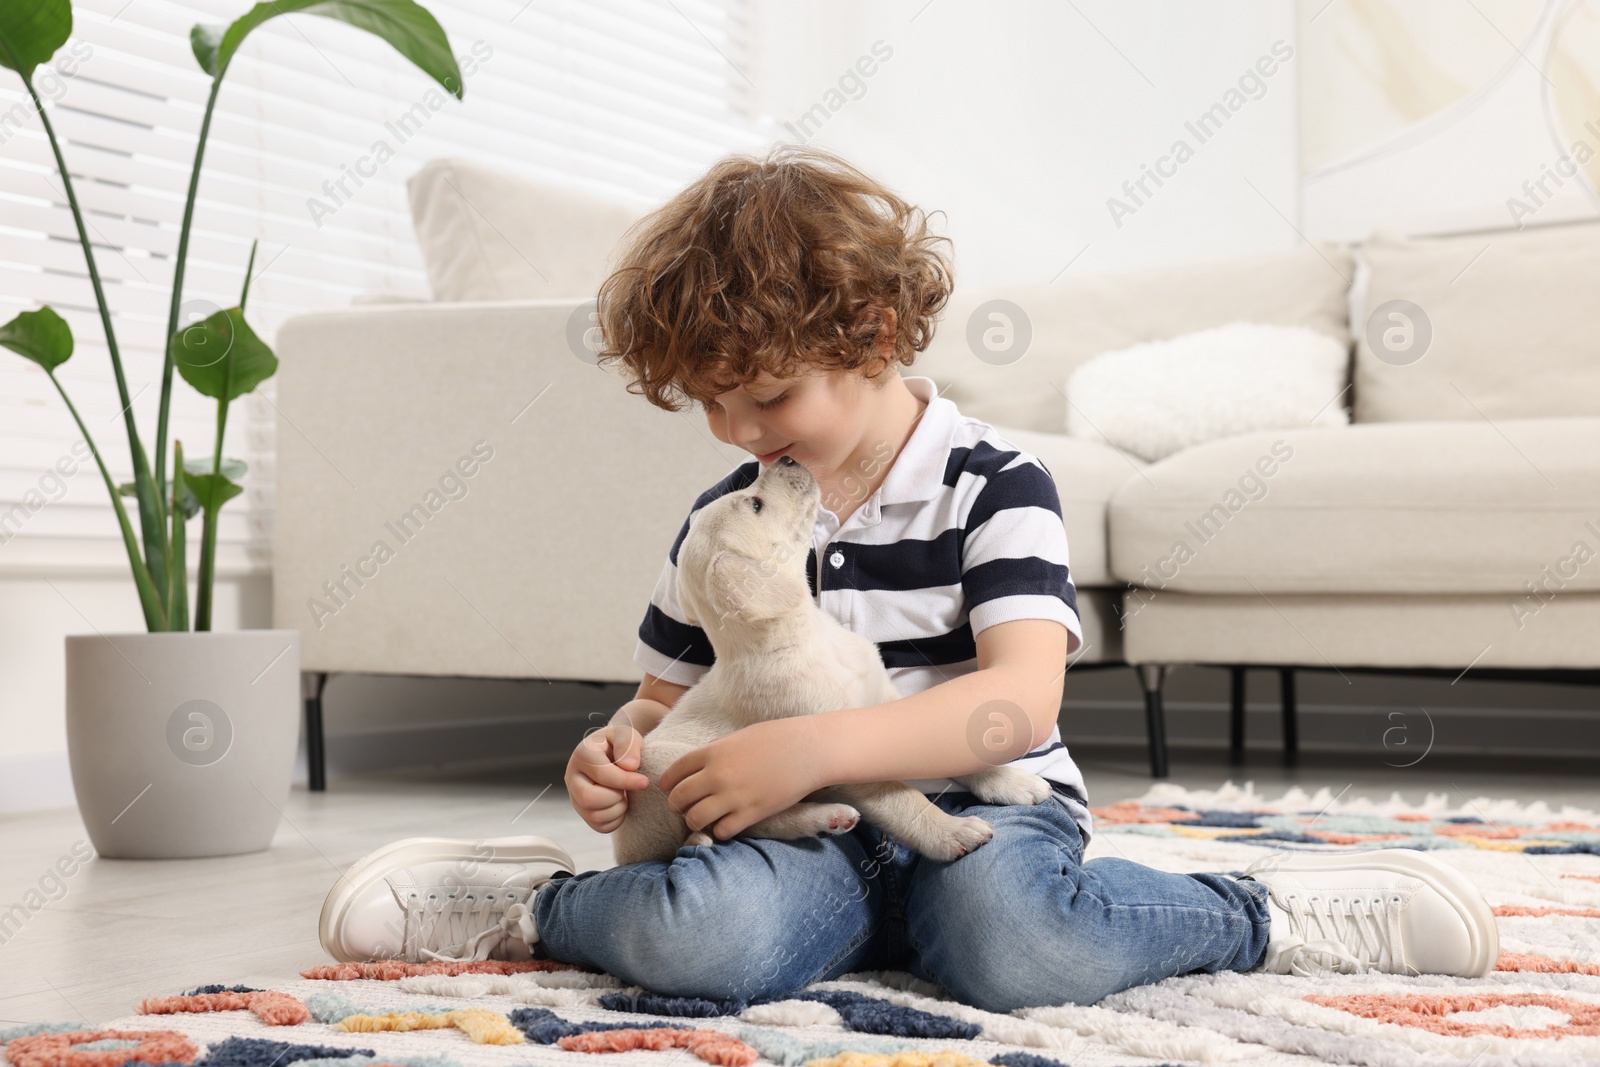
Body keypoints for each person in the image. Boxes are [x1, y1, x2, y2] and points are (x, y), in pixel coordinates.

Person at [317, 144, 1499, 1011]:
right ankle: (529, 906)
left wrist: (820, 746)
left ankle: (1263, 911)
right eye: (711, 404)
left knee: (1014, 948)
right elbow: (667, 705)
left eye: (765, 395)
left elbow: (1014, 707)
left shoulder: (994, 482)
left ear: (874, 332)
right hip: (800, 836)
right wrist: (615, 753)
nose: (736, 431)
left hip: (982, 815)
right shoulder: (721, 523)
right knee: (714, 945)